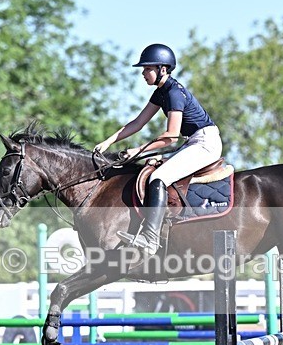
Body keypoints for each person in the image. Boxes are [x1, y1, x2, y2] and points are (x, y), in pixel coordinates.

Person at [94, 43, 222, 255]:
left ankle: (151, 238)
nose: (143, 73)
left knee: (158, 178)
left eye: (147, 69)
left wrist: (138, 150)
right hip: (193, 141)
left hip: (205, 143)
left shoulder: (173, 93)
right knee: (152, 168)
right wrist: (109, 142)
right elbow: (137, 123)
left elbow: (171, 136)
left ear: (163, 69)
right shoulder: (160, 93)